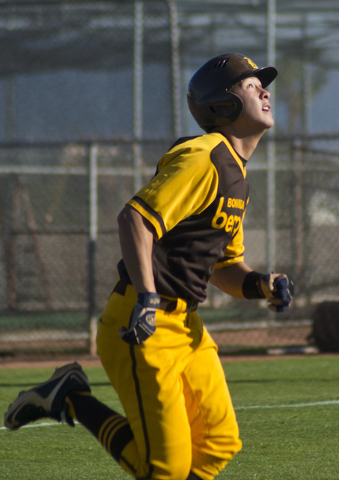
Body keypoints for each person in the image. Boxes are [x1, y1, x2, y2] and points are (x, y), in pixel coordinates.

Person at [4, 53, 294, 480]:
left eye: (262, 84)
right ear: (221, 104)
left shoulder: (237, 174)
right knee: (164, 469)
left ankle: (67, 393)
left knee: (219, 442)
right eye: (251, 85)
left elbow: (224, 266)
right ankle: (71, 398)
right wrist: (147, 297)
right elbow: (135, 219)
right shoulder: (203, 156)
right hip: (144, 324)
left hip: (186, 327)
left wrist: (260, 285)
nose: (264, 91)